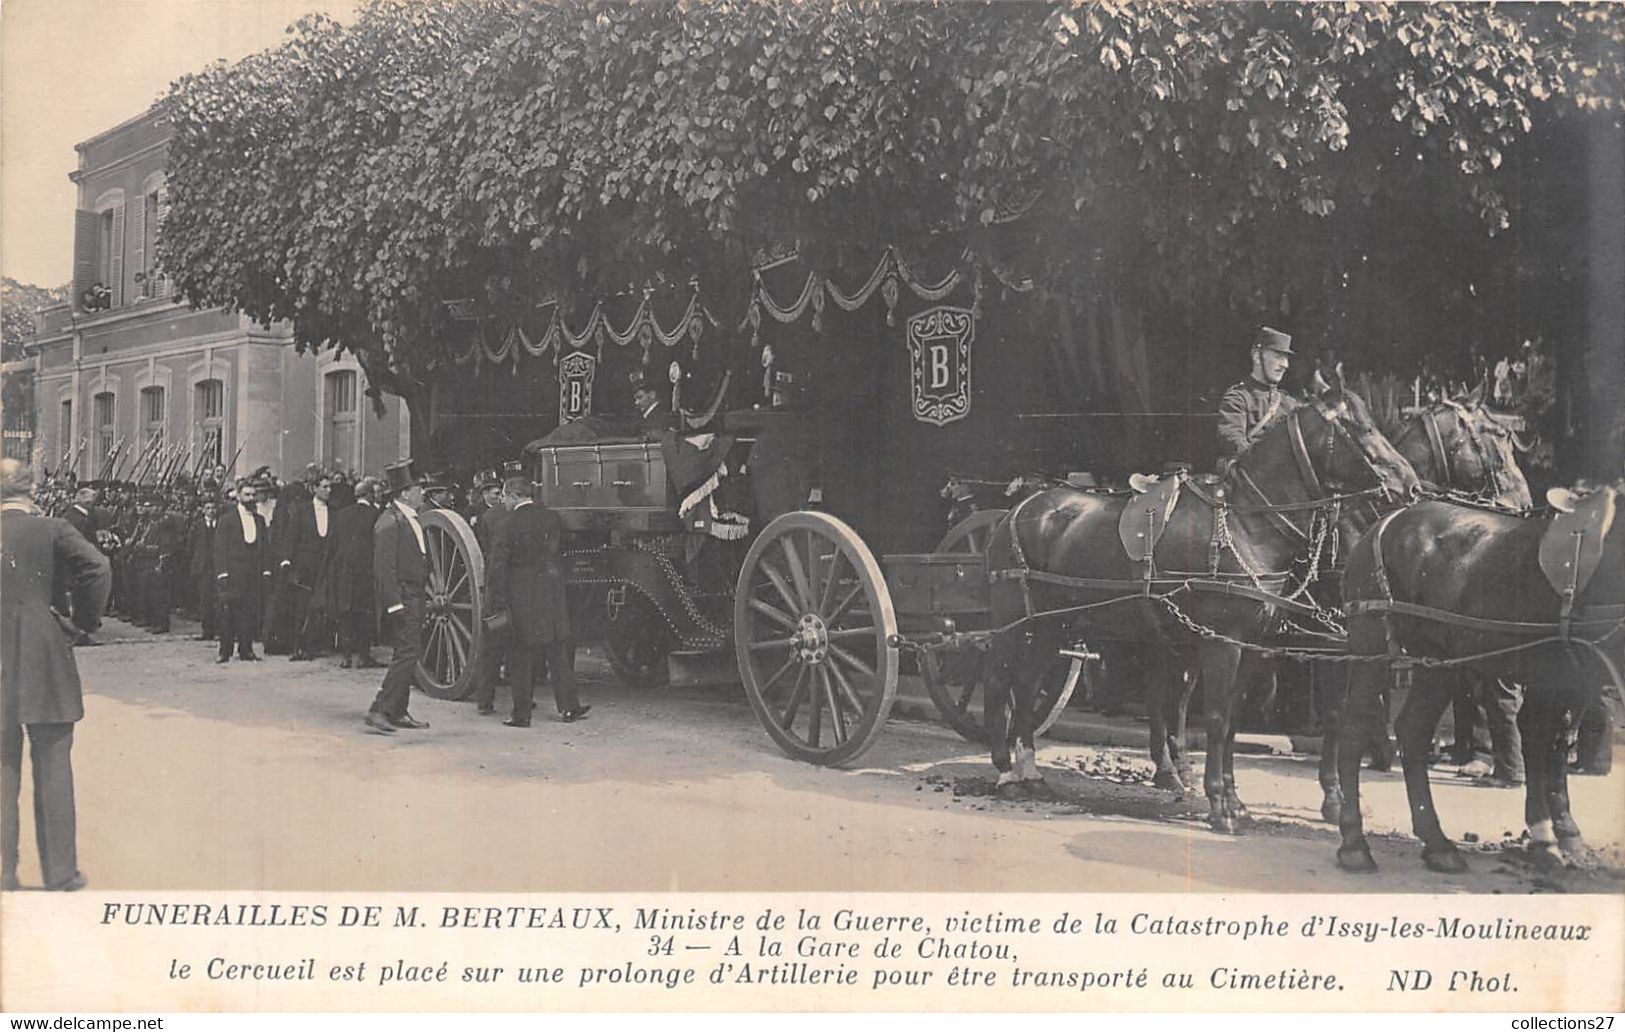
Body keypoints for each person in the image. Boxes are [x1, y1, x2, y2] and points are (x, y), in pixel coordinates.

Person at [1, 458, 111, 891]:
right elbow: (98, 567)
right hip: (43, 650)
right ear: (33, 492)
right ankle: (61, 873)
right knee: (52, 760)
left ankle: (4, 873)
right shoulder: (51, 529)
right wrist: (82, 622)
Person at [486, 475, 587, 727]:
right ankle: (569, 708)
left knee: (520, 655)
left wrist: (496, 602)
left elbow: (497, 568)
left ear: (513, 496)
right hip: (551, 594)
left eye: (504, 497)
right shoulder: (551, 518)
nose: (503, 502)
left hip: (521, 597)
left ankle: (521, 715)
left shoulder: (505, 526)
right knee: (557, 653)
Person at [366, 461, 431, 734]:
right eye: (418, 488)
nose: (422, 493)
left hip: (414, 594)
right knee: (406, 654)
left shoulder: (407, 518)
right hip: (403, 596)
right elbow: (384, 570)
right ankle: (379, 709)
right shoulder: (389, 523)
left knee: (409, 653)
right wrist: (394, 604)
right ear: (405, 493)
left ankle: (398, 710)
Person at [1217, 326, 1301, 464]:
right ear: (1257, 356)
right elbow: (1231, 437)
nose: (1285, 364)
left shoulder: (1289, 403)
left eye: (1286, 358)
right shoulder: (1238, 398)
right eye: (1278, 356)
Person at [323, 476, 381, 669]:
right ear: (370, 494)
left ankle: (346, 656)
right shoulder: (375, 514)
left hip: (344, 571)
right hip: (365, 570)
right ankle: (364, 656)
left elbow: (332, 544)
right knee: (364, 614)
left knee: (346, 613)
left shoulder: (341, 514)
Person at [213, 479, 272, 662]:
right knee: (229, 612)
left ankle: (246, 649)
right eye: (247, 495)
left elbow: (264, 548)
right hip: (233, 573)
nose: (251, 498)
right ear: (238, 496)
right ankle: (225, 651)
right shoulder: (227, 520)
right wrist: (222, 572)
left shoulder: (259, 520)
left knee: (250, 611)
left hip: (252, 573)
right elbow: (220, 549)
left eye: (253, 495)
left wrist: (266, 570)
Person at [279, 473, 334, 661]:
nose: (328, 490)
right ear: (315, 488)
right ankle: (296, 647)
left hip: (324, 566)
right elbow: (291, 536)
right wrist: (286, 560)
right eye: (325, 487)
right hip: (304, 566)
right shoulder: (302, 511)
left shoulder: (333, 511)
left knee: (319, 608)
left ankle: (313, 646)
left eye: (329, 487)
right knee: (301, 607)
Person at [470, 469, 511, 715]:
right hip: (499, 592)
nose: (498, 497)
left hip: (497, 591)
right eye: (495, 493)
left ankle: (487, 699)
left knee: (495, 644)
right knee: (499, 643)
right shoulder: (491, 517)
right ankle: (488, 698)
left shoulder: (494, 517)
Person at [188, 496, 222, 641]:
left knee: (219, 599)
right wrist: (196, 562)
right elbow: (190, 547)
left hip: (218, 567)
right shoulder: (197, 526)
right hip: (203, 568)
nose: (211, 511)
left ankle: (220, 630)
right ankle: (206, 631)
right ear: (203, 510)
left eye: (213, 508)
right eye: (208, 508)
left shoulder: (221, 524)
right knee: (204, 599)